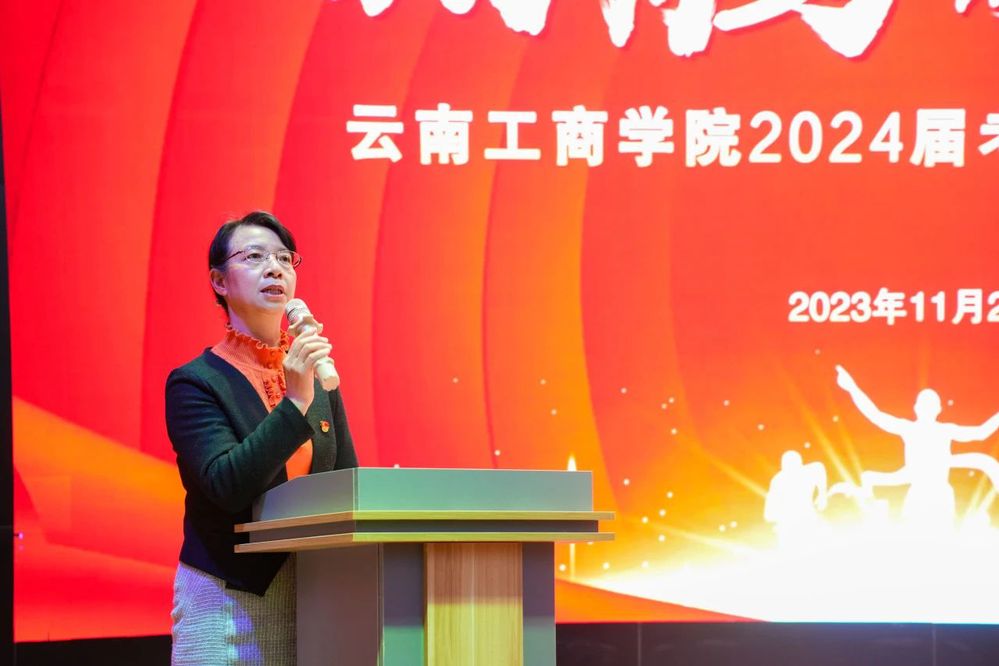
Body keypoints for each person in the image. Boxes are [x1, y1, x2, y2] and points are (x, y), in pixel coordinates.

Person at [166, 211, 358, 665]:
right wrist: (295, 402)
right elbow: (228, 486)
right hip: (229, 595)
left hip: (316, 591)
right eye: (255, 257)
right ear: (219, 281)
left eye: (284, 259)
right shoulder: (196, 382)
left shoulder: (316, 374)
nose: (275, 268)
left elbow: (346, 483)